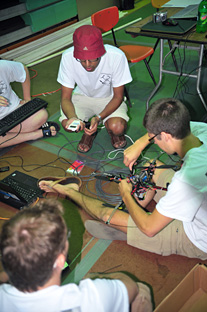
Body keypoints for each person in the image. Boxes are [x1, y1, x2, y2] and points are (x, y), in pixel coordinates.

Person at [39, 98, 207, 260]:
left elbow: (150, 229)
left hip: (197, 237)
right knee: (152, 165)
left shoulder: (185, 181)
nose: (153, 142)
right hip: (197, 202)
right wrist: (140, 144)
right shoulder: (201, 132)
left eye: (154, 138)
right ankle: (131, 220)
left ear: (166, 135)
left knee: (107, 215)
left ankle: (68, 191)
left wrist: (126, 194)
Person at [0, 199, 153, 312]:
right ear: (60, 261)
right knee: (141, 292)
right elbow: (130, 286)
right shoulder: (92, 296)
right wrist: (97, 278)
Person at [57, 25, 132, 153]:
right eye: (82, 60)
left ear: (101, 52)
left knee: (117, 127)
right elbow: (65, 98)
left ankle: (111, 132)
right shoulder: (67, 57)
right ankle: (89, 132)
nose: (87, 65)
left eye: (93, 60)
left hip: (109, 97)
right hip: (82, 96)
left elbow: (118, 96)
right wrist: (72, 117)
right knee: (68, 125)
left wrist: (98, 118)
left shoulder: (116, 56)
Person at [0, 60, 60, 148]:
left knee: (41, 115)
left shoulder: (2, 66)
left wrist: (27, 100)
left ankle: (9, 137)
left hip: (14, 112)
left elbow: (23, 70)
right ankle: (35, 134)